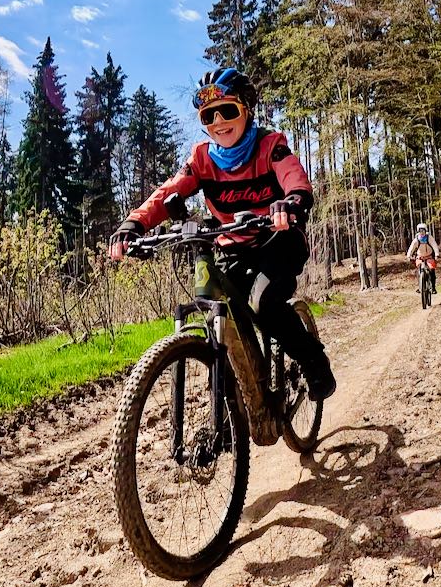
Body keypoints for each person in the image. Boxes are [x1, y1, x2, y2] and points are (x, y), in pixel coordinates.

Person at [109, 67, 336, 404]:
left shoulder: (269, 145)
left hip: (278, 241)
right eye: (208, 115)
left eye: (227, 111)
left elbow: (294, 177)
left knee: (265, 303)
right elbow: (168, 191)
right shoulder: (202, 159)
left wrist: (292, 201)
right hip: (232, 246)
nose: (218, 121)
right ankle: (234, 405)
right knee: (218, 306)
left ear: (246, 110)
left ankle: (314, 362)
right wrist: (135, 223)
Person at [406, 222, 440, 293]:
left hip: (429, 256)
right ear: (418, 231)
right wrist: (409, 256)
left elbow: (434, 246)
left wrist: (436, 254)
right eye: (420, 231)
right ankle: (420, 286)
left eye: (423, 231)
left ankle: (433, 287)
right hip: (420, 257)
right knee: (418, 270)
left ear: (425, 231)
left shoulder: (429, 238)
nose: (422, 232)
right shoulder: (416, 240)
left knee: (431, 269)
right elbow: (411, 248)